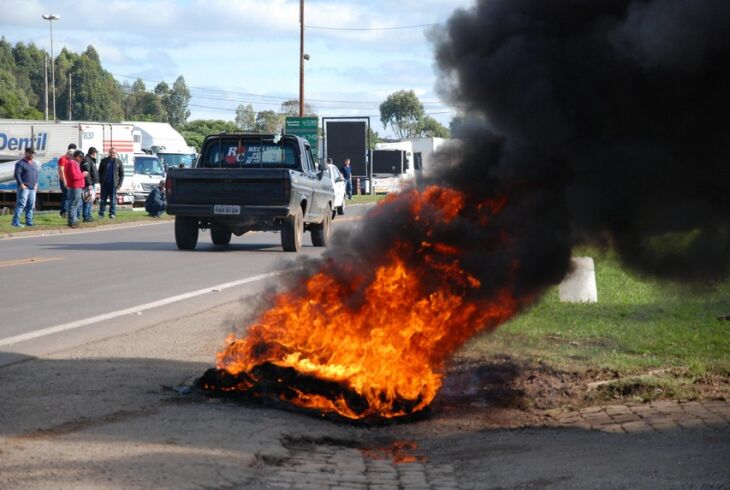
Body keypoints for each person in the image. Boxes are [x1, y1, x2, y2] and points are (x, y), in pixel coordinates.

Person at [11, 147, 39, 228]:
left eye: (33, 153)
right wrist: (21, 184)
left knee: (30, 205)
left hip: (32, 188)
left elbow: (36, 174)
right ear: (26, 153)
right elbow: (17, 174)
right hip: (24, 188)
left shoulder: (34, 163)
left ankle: (29, 222)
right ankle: (15, 222)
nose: (32, 155)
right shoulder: (20, 163)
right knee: (21, 205)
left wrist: (36, 184)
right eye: (30, 153)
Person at [98, 147, 124, 219]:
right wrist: (100, 181)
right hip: (105, 184)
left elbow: (122, 174)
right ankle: (101, 214)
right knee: (103, 200)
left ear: (116, 153)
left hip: (113, 185)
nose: (112, 154)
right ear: (109, 153)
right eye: (111, 152)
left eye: (114, 153)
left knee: (113, 201)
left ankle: (112, 214)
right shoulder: (104, 161)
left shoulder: (119, 162)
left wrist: (119, 184)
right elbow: (99, 172)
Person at [65, 150, 88, 228]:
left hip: (75, 186)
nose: (81, 159)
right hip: (75, 186)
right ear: (76, 156)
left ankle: (72, 221)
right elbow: (74, 177)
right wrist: (83, 175)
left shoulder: (74, 163)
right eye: (80, 157)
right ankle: (72, 222)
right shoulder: (72, 163)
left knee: (74, 204)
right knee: (73, 205)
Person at [80, 147, 100, 222]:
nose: (96, 154)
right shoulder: (87, 159)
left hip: (92, 183)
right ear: (93, 153)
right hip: (89, 184)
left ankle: (89, 215)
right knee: (87, 199)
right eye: (95, 153)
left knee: (90, 200)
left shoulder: (90, 160)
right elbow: (86, 173)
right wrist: (89, 184)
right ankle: (86, 217)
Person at [57, 143, 77, 217]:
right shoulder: (63, 159)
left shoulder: (69, 159)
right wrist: (65, 182)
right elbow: (61, 171)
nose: (72, 158)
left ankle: (67, 212)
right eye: (71, 156)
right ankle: (63, 212)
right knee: (66, 196)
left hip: (69, 181)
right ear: (68, 154)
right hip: (64, 181)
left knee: (69, 196)